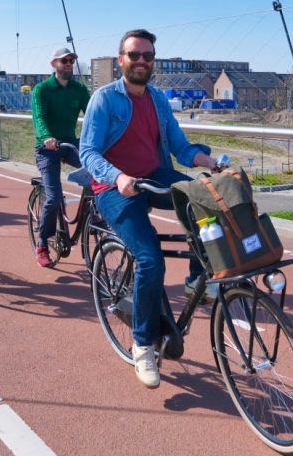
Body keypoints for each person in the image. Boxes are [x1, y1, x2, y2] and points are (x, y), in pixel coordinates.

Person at [80, 29, 222, 390]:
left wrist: (210, 162)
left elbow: (180, 147)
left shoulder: (158, 99)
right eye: (134, 55)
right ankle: (143, 345)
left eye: (147, 56)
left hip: (153, 174)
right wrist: (117, 176)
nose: (141, 61)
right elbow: (89, 152)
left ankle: (196, 280)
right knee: (150, 259)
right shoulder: (104, 99)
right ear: (120, 60)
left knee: (203, 199)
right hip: (114, 187)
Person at [31, 46, 90, 267]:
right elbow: (38, 117)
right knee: (54, 197)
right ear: (53, 64)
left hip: (70, 143)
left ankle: (96, 215)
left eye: (71, 61)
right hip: (48, 148)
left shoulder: (79, 89)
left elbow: (93, 114)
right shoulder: (42, 89)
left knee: (98, 170)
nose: (68, 64)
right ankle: (42, 242)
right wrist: (46, 136)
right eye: (64, 60)